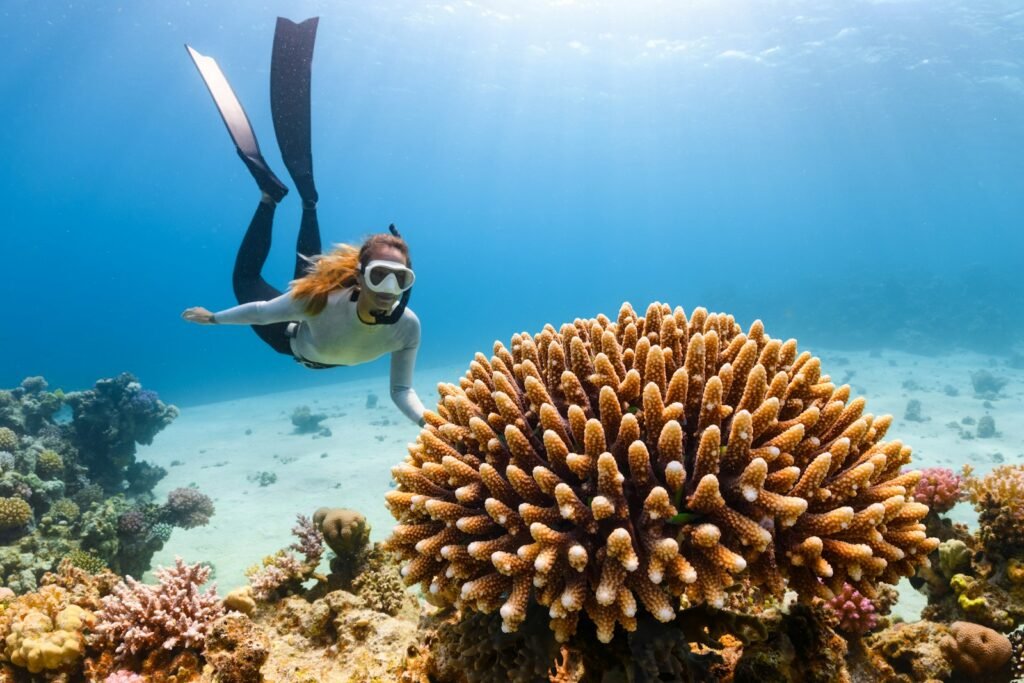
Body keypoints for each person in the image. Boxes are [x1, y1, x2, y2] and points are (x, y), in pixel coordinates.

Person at [181, 17, 426, 426]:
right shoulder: (321, 300)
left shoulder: (408, 327)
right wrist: (216, 319)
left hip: (310, 346)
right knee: (249, 279)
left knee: (308, 274)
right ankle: (277, 200)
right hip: (291, 337)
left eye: (401, 280)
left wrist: (431, 424)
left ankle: (289, 198)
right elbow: (260, 311)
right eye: (381, 275)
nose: (390, 290)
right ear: (361, 274)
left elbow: (402, 391)